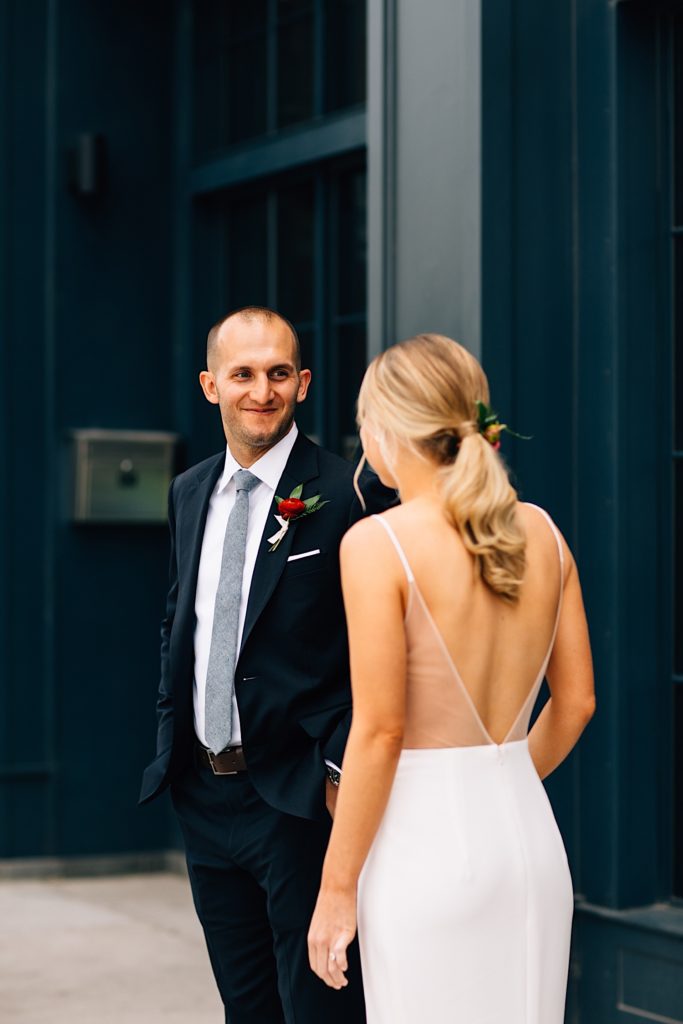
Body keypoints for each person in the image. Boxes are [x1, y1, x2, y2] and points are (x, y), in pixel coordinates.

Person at [308, 333, 596, 1023]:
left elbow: (378, 731)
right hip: (528, 843)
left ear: (386, 431)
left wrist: (336, 888)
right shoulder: (544, 532)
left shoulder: (378, 544)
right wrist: (498, 781)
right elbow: (576, 702)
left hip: (422, 850)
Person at [139, 306, 393, 1024]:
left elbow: (378, 655)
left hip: (298, 801)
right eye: (242, 374)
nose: (262, 390)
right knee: (245, 1007)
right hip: (202, 793)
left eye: (279, 373)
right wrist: (172, 742)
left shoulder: (349, 496)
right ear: (210, 385)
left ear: (304, 382)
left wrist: (334, 773)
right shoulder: (188, 491)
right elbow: (179, 621)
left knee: (319, 1009)